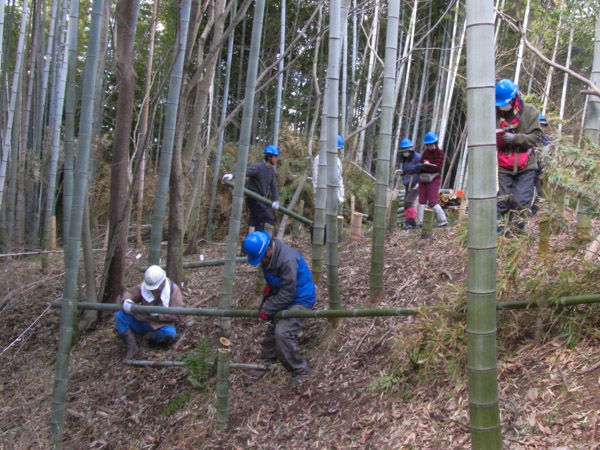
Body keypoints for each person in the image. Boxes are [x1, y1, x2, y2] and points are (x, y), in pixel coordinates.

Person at [243, 231, 316, 388]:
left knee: (283, 333)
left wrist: (268, 309)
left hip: (301, 299)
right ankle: (265, 363)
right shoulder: (269, 258)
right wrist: (270, 287)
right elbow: (281, 282)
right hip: (287, 297)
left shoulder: (287, 260)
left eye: (261, 258)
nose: (261, 262)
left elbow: (288, 292)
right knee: (271, 332)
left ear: (269, 250)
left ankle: (301, 371)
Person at [495, 79, 543, 230]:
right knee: (501, 202)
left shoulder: (529, 112)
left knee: (520, 202)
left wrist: (515, 138)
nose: (503, 106)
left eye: (505, 103)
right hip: (503, 163)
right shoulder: (495, 114)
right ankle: (496, 234)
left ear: (514, 97)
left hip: (526, 165)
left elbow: (537, 137)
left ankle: (515, 235)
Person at [114, 265, 183, 361]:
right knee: (120, 316)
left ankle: (150, 337)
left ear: (163, 282)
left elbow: (177, 313)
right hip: (142, 320)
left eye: (156, 287)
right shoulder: (143, 287)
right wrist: (127, 301)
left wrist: (158, 315)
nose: (153, 290)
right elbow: (130, 293)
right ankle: (131, 346)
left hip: (160, 324)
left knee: (169, 333)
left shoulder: (173, 289)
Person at [222, 145, 280, 232]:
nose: (277, 159)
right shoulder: (258, 167)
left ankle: (250, 239)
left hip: (260, 199)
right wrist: (232, 175)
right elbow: (244, 172)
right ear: (269, 157)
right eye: (275, 157)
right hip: (253, 199)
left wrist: (276, 200)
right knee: (268, 219)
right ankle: (259, 239)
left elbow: (273, 185)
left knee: (254, 222)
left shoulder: (271, 170)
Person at [416, 131, 448, 227]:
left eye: (431, 145)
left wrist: (427, 165)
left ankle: (442, 221)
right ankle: (420, 222)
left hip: (434, 179)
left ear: (435, 143)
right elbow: (420, 162)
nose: (429, 147)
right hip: (423, 178)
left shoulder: (440, 153)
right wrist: (421, 165)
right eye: (428, 145)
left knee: (433, 202)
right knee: (421, 201)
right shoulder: (425, 152)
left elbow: (438, 168)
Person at [394, 137, 421, 229]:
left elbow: (423, 171)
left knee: (409, 202)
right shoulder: (405, 158)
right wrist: (401, 172)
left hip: (416, 183)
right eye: (403, 151)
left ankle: (412, 222)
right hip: (408, 182)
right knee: (406, 203)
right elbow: (406, 170)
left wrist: (419, 183)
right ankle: (409, 222)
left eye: (406, 150)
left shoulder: (418, 157)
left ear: (410, 150)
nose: (405, 152)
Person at [312, 134, 345, 205]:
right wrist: (318, 195)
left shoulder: (337, 161)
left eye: (339, 149)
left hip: (335, 197)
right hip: (322, 197)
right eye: (337, 149)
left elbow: (339, 179)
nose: (338, 151)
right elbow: (316, 179)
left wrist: (341, 196)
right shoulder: (319, 159)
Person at [532, 113, 551, 214]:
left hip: (540, 172)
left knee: (540, 196)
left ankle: (533, 214)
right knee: (526, 195)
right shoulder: (527, 138)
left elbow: (548, 157)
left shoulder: (547, 140)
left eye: (543, 125)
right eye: (540, 125)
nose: (541, 127)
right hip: (527, 172)